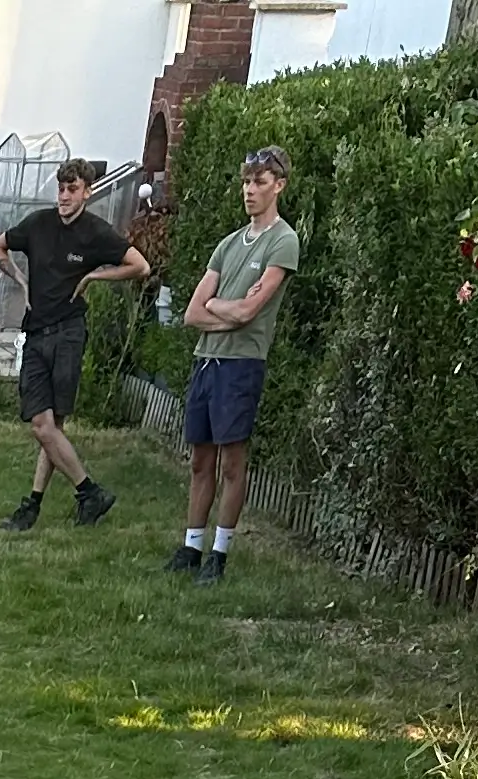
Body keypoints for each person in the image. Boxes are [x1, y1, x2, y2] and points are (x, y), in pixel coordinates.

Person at [0, 161, 151, 529]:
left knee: (52, 426)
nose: (64, 196)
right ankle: (89, 492)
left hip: (68, 332)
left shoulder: (96, 233)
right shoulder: (38, 224)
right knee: (43, 426)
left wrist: (95, 274)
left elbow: (139, 266)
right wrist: (21, 281)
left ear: (87, 191)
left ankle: (32, 506)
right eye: (61, 189)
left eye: (72, 189)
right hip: (36, 332)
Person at [170, 146, 299, 584]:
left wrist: (219, 307)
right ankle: (191, 546)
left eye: (260, 182)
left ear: (278, 186)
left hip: (241, 363)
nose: (250, 190)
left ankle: (219, 554)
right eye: (246, 181)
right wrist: (227, 306)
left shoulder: (284, 241)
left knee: (231, 463)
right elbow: (192, 313)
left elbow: (250, 313)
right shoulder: (228, 244)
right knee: (200, 460)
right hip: (206, 361)